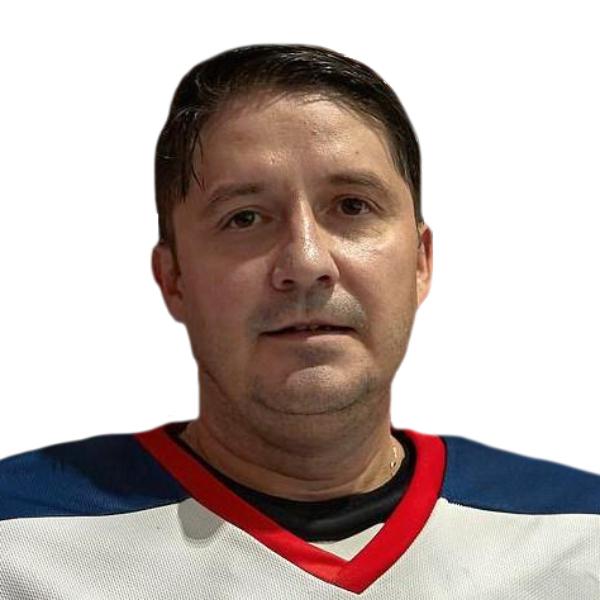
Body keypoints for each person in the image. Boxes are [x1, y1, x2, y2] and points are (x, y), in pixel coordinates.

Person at [1, 43, 598, 599]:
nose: (307, 263)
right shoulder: (17, 538)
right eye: (244, 217)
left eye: (352, 206)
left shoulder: (581, 534)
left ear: (421, 262)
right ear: (174, 278)